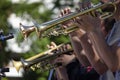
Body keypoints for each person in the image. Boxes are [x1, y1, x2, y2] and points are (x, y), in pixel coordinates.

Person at [73, 0, 120, 80]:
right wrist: (86, 31)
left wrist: (94, 29)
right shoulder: (116, 27)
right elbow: (101, 66)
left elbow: (114, 64)